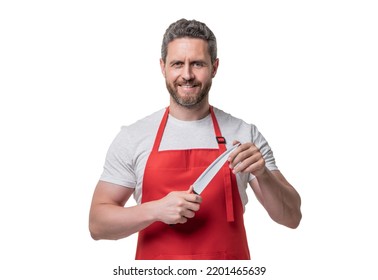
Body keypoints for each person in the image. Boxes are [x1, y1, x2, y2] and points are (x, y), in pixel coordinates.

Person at [89, 18, 302, 260]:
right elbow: (97, 224)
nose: (187, 75)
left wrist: (263, 174)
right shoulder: (134, 137)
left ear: (215, 67)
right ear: (163, 67)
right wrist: (155, 210)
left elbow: (291, 217)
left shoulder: (244, 135)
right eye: (178, 64)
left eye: (198, 64)